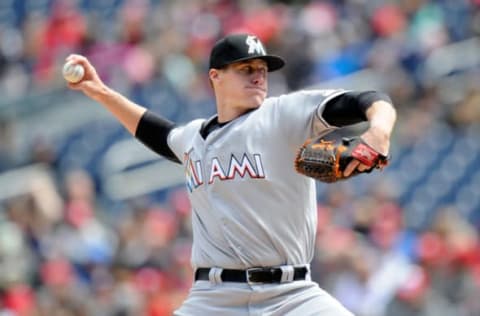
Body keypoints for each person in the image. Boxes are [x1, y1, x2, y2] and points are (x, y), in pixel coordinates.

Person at [66, 33, 396, 315]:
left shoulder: (283, 114)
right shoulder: (193, 137)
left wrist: (379, 130)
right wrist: (102, 93)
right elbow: (158, 133)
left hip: (292, 297)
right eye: (246, 69)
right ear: (215, 76)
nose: (258, 76)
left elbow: (369, 99)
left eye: (263, 70)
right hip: (213, 299)